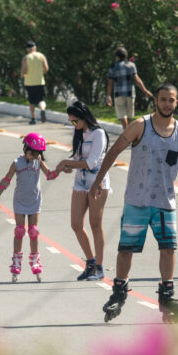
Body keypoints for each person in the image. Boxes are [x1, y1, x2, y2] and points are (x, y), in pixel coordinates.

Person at [91, 83, 178, 324]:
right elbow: (114, 151)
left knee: (168, 248)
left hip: (165, 202)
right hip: (137, 200)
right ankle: (118, 294)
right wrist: (98, 180)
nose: (166, 104)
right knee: (126, 249)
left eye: (171, 100)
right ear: (156, 101)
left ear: (177, 102)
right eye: (163, 99)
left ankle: (167, 296)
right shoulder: (141, 126)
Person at [53, 101, 110, 281]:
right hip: (80, 183)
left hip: (97, 184)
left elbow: (92, 162)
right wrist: (68, 166)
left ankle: (99, 267)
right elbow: (78, 159)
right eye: (71, 122)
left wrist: (65, 163)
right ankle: (90, 262)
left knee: (95, 225)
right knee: (76, 224)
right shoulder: (79, 133)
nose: (74, 125)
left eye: (75, 121)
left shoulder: (98, 133)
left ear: (84, 117)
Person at [0, 132, 58, 281]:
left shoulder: (38, 160)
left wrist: (61, 169)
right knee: (20, 231)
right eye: (32, 153)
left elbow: (49, 175)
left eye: (37, 154)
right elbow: (6, 180)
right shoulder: (17, 163)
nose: (34, 156)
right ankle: (16, 262)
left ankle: (35, 262)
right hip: (20, 201)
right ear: (25, 148)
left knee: (33, 231)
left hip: (34, 200)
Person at [106, 47, 153, 129]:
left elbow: (110, 83)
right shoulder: (131, 65)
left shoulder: (113, 67)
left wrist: (108, 95)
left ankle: (126, 131)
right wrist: (145, 90)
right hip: (130, 94)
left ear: (117, 57)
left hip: (118, 94)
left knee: (122, 114)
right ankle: (127, 132)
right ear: (126, 56)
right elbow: (137, 80)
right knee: (129, 115)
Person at [21, 41, 49, 125]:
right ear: (35, 48)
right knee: (41, 99)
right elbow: (46, 68)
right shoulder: (41, 56)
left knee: (31, 101)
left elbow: (23, 70)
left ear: (27, 49)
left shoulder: (26, 58)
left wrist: (23, 75)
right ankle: (43, 109)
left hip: (29, 82)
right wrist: (41, 73)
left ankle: (33, 118)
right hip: (40, 81)